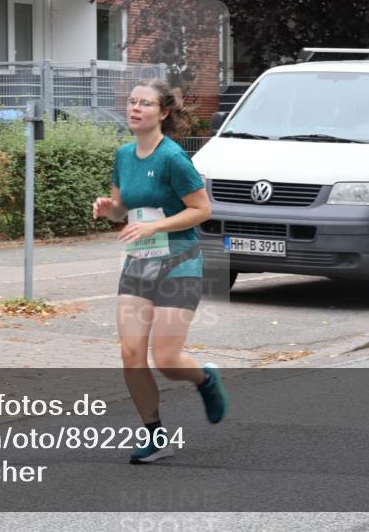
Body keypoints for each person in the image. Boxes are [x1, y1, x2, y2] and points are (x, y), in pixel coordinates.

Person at [93, 78, 228, 464]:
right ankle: (155, 434)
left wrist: (155, 226)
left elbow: (202, 210)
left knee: (166, 359)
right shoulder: (123, 155)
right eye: (132, 102)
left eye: (145, 104)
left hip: (179, 262)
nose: (135, 108)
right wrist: (109, 210)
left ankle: (205, 377)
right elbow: (124, 209)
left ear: (164, 113)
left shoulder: (172, 158)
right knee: (131, 353)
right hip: (138, 261)